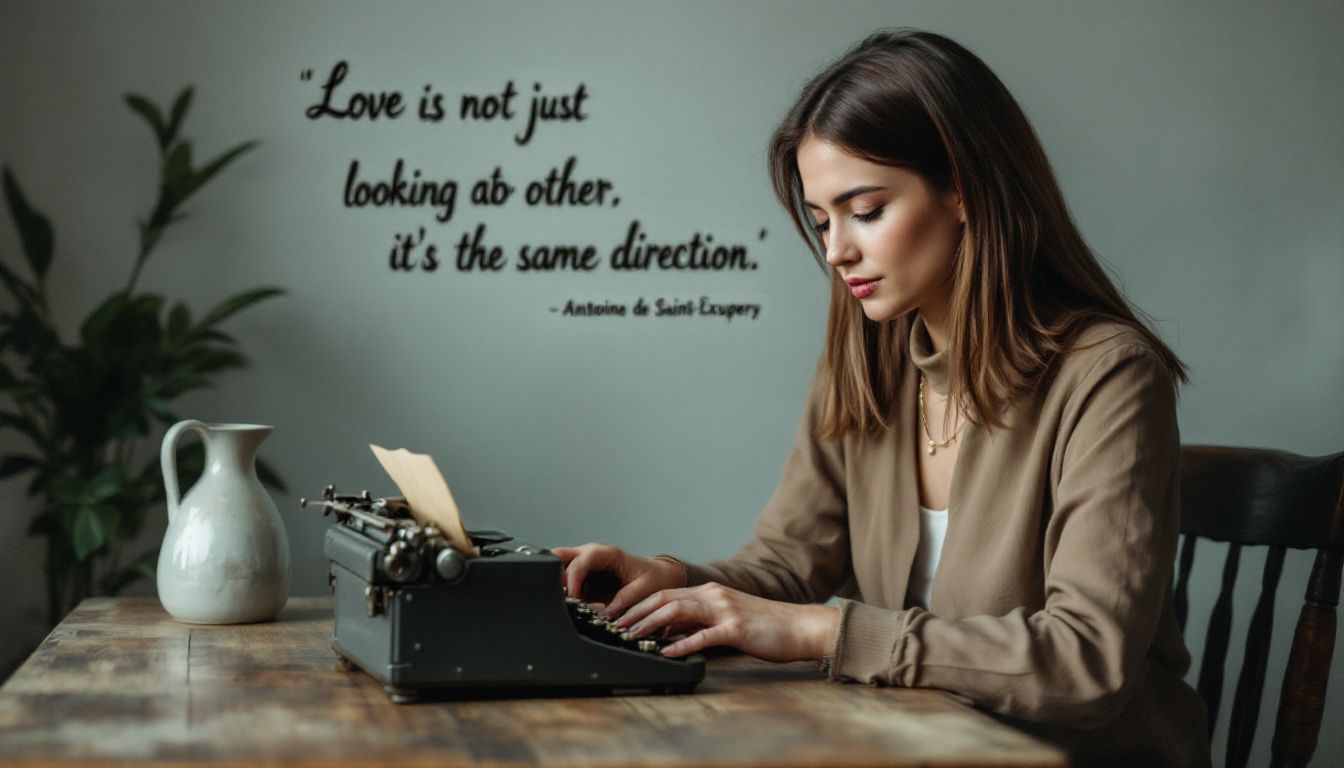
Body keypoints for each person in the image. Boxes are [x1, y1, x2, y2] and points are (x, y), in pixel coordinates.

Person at [553, 28, 1211, 767]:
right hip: (912, 745)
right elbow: (790, 564)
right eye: (822, 220)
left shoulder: (1108, 375)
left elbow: (1087, 663)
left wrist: (824, 633)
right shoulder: (868, 359)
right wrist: (673, 580)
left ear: (963, 188)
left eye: (864, 211)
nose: (836, 251)